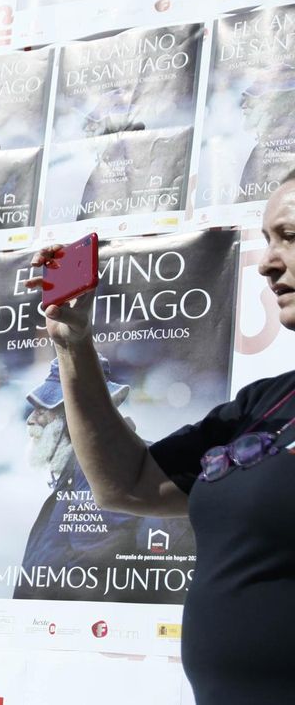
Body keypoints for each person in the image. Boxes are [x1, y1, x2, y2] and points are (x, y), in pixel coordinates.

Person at [34, 169, 295, 704]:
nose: (267, 262)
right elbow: (128, 485)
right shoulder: (265, 403)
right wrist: (73, 344)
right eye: (267, 239)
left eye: (289, 236)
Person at [13, 357, 189, 603]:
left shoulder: (103, 469)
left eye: (43, 411)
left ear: (75, 417)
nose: (31, 419)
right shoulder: (85, 468)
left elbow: (90, 574)